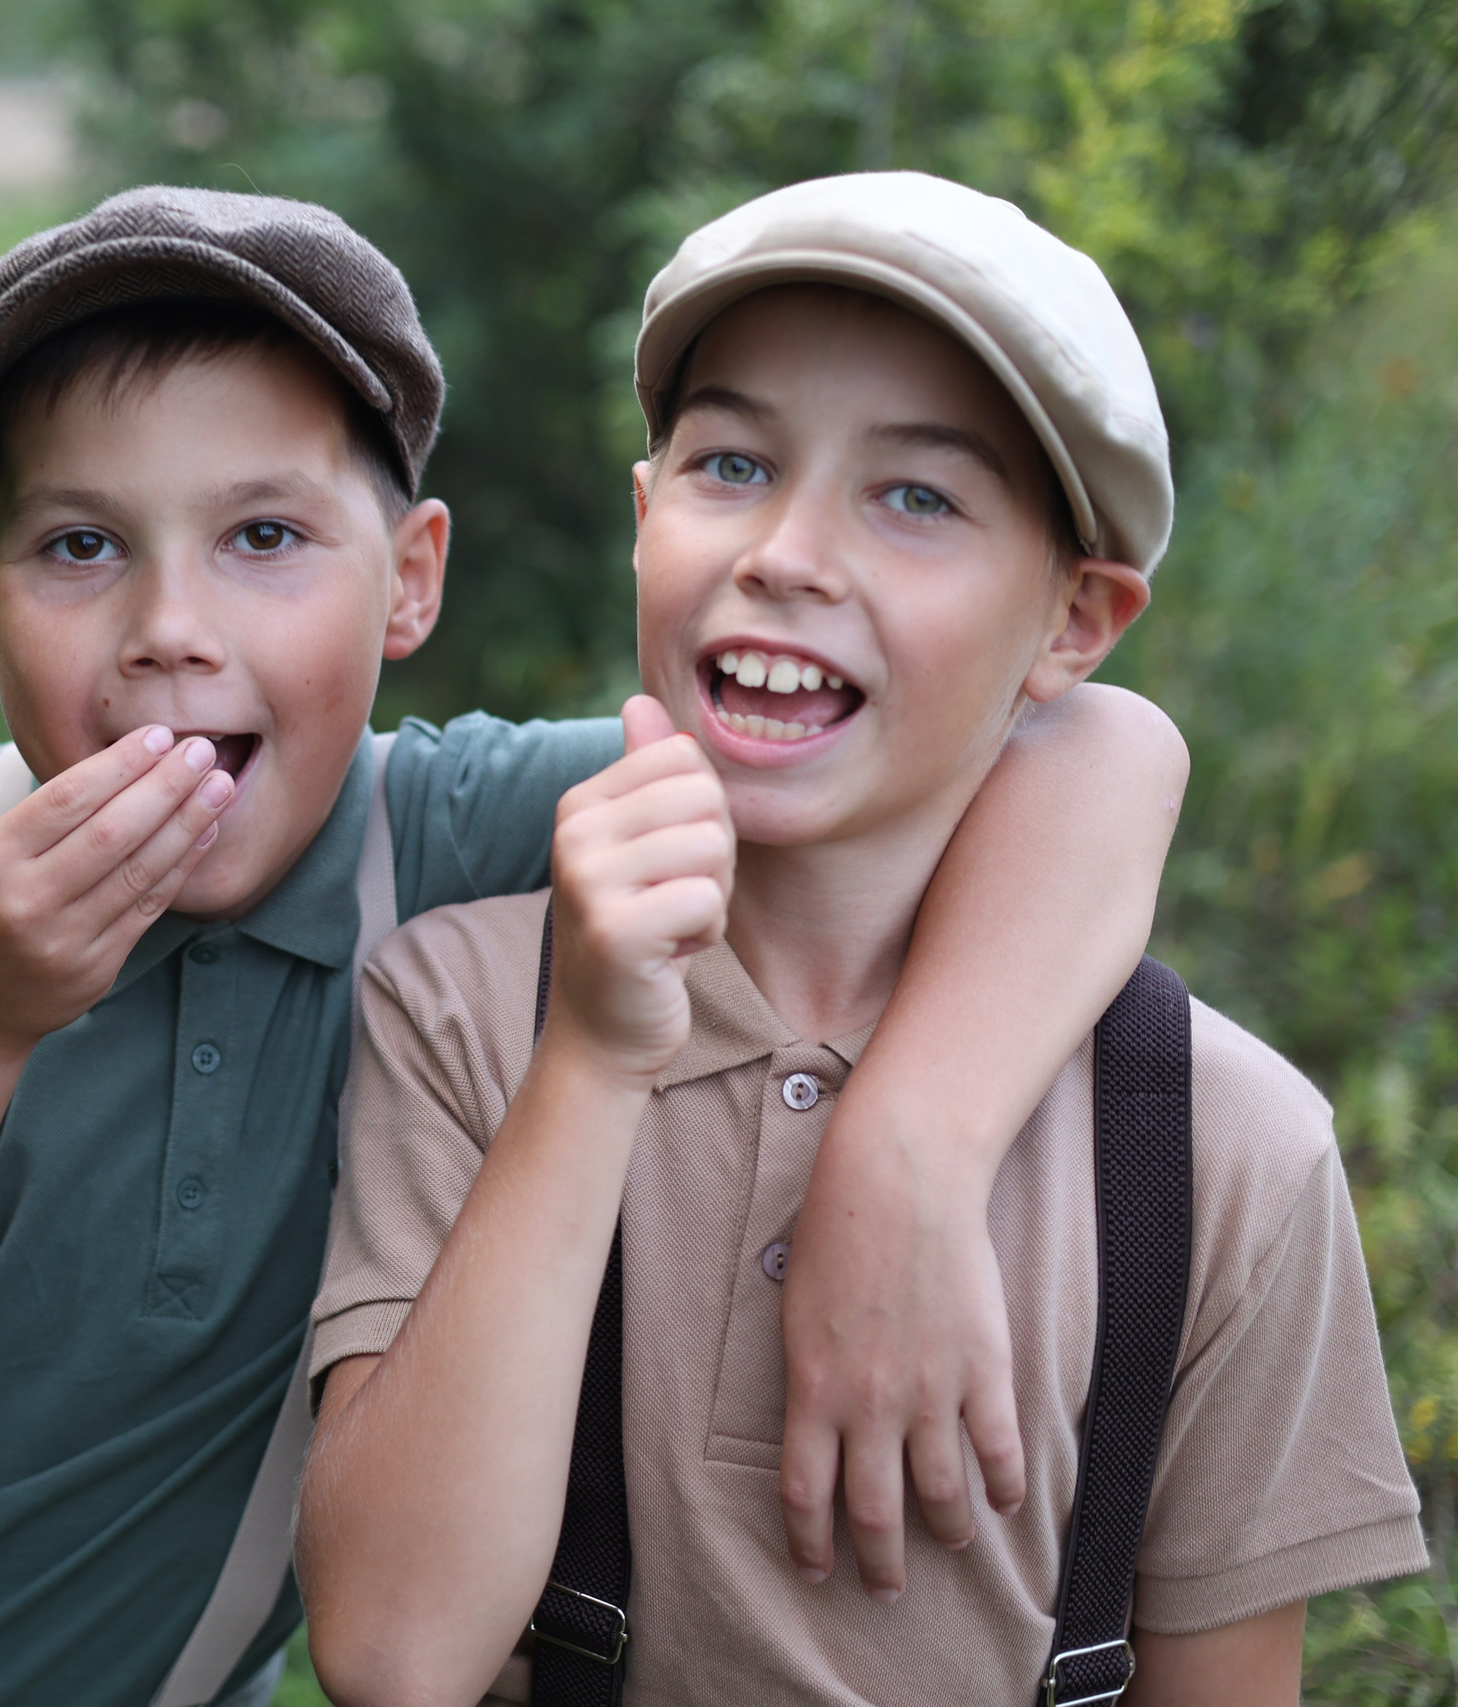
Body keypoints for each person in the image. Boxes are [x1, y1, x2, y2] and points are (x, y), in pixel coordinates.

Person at [0, 186, 1192, 1707]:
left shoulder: (449, 843)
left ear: (411, 579)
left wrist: (909, 1148)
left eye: (265, 538)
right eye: (80, 545)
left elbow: (1098, 750)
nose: (170, 626)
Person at [296, 171, 1427, 1707]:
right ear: (645, 520)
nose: (787, 553)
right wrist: (593, 1062)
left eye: (918, 497)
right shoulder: (471, 1012)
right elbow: (392, 1652)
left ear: (1075, 624)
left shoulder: (1220, 1153)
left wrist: (910, 1146)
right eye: (734, 463)